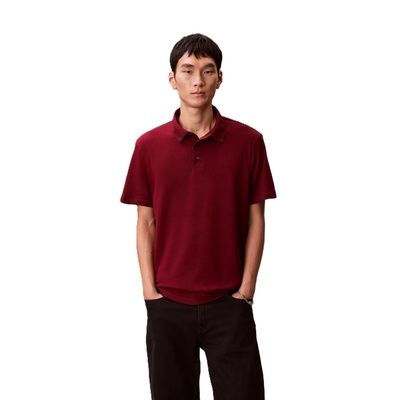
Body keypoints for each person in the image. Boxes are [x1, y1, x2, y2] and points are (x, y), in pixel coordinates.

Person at [121, 33, 276, 400]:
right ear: (172, 79)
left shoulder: (249, 142)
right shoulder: (148, 146)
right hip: (168, 304)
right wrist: (150, 293)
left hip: (229, 302)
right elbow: (146, 223)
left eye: (207, 71)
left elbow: (256, 219)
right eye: (188, 71)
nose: (198, 81)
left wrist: (246, 290)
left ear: (219, 78)